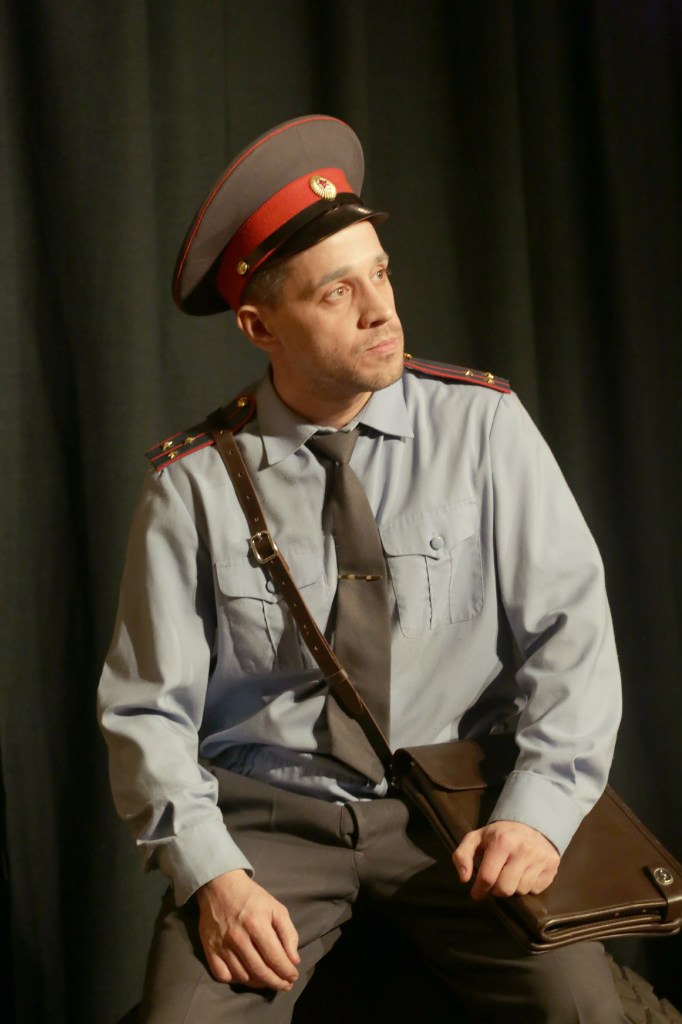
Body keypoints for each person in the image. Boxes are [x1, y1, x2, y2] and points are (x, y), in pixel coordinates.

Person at [98, 114, 625, 1022]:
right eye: (337, 291)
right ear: (260, 324)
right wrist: (211, 872)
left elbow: (570, 633)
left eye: (379, 273)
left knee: (583, 1011)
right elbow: (148, 711)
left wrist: (538, 810)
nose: (380, 309)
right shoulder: (192, 487)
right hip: (270, 824)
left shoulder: (483, 428)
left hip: (455, 812)